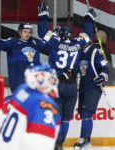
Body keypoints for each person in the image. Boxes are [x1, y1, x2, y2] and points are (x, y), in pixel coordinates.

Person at [37, 3, 97, 150]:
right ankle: (60, 145)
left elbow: (42, 31)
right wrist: (89, 18)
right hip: (71, 86)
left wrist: (43, 15)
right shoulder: (77, 43)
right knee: (65, 119)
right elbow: (88, 34)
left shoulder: (55, 42)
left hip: (56, 84)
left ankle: (54, 144)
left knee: (54, 116)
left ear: (61, 35)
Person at [0, 63, 61, 150]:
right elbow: (39, 143)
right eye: (50, 79)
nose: (52, 82)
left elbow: (0, 117)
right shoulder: (45, 104)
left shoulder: (21, 89)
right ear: (39, 80)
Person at [0, 22, 47, 93]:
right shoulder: (13, 42)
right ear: (20, 32)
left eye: (29, 32)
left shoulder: (34, 42)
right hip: (18, 83)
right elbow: (0, 45)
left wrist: (51, 34)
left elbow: (47, 43)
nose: (27, 34)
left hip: (35, 82)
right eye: (25, 32)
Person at [73, 34, 109, 149]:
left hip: (93, 87)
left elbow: (105, 69)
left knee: (87, 113)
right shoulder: (79, 52)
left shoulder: (95, 51)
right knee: (83, 114)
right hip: (83, 87)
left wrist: (103, 76)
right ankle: (87, 141)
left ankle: (83, 139)